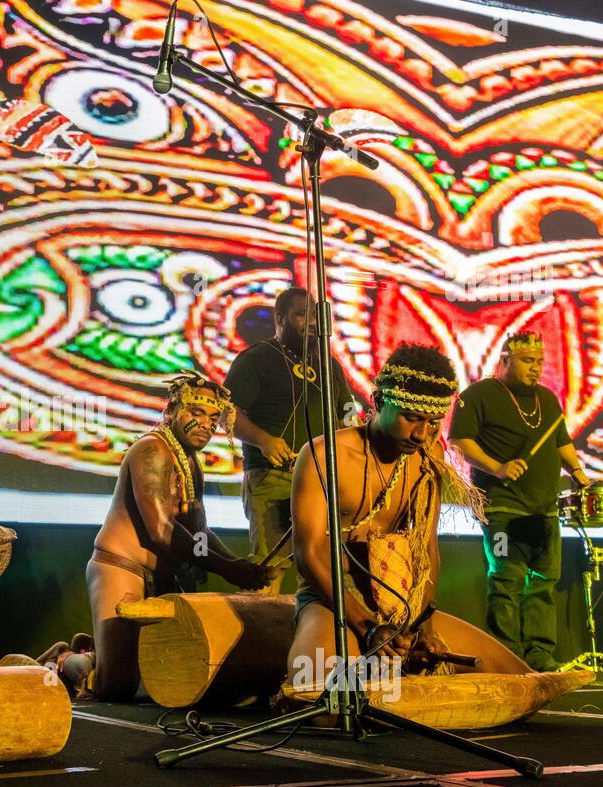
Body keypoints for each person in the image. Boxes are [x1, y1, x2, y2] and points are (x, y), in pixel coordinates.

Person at [288, 344, 532, 683]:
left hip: (402, 605)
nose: (421, 434)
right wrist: (367, 627)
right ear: (378, 402)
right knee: (319, 692)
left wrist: (423, 625)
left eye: (433, 423)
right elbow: (309, 553)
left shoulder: (426, 463)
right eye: (411, 418)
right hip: (334, 602)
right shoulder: (323, 454)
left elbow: (427, 552)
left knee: (518, 679)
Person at [83, 372, 273, 701]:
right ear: (172, 410)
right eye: (196, 413)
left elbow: (199, 533)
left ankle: (97, 651)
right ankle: (72, 661)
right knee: (115, 688)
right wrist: (225, 568)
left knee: (169, 676)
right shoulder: (151, 451)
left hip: (163, 577)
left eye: (214, 418)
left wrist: (235, 562)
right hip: (122, 567)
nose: (206, 424)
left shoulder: (191, 463)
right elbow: (160, 530)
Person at [449, 332, 592, 671]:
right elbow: (459, 440)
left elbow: (561, 442)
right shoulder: (479, 395)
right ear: (505, 360)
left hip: (544, 508)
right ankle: (507, 656)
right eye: (528, 361)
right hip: (502, 506)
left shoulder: (546, 399)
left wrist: (576, 471)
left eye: (540, 362)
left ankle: (540, 654)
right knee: (506, 581)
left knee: (544, 581)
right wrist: (497, 467)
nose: (536, 368)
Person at [224, 286, 353, 592]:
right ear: (279, 319)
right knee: (270, 569)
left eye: (314, 316)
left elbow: (347, 417)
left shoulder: (329, 365)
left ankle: (321, 637)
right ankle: (262, 636)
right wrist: (264, 440)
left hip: (322, 482)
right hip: (272, 478)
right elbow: (227, 415)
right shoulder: (256, 359)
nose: (311, 322)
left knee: (329, 570)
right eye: (301, 314)